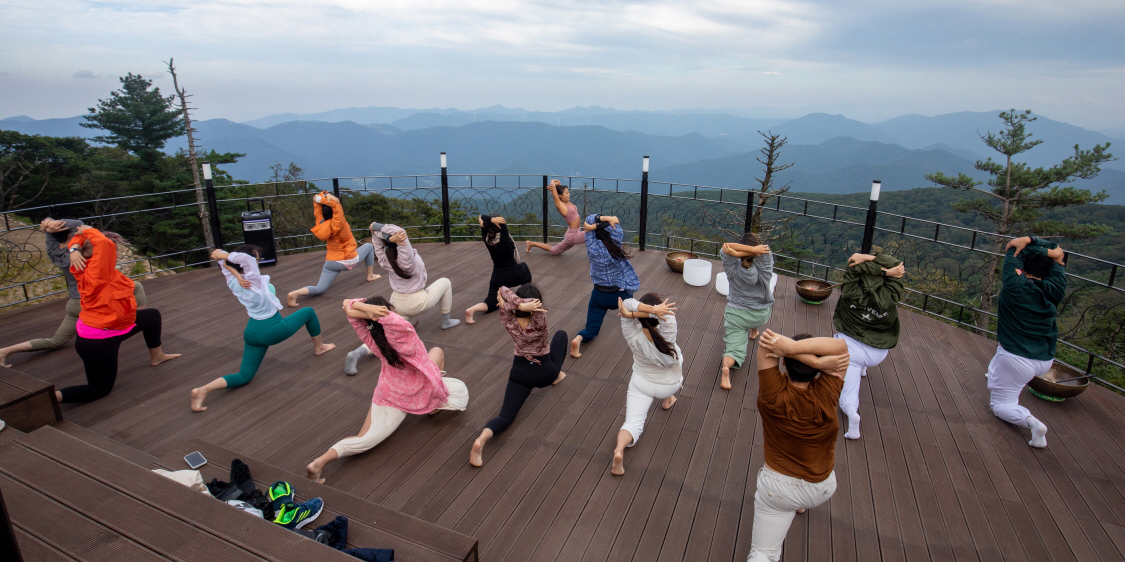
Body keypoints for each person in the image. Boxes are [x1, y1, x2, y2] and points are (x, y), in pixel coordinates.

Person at [306, 296, 469, 483]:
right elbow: (387, 316)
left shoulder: (371, 335)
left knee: (363, 438)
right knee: (458, 387)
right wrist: (361, 308)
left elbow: (348, 304)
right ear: (388, 310)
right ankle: (432, 407)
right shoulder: (403, 330)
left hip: (390, 391)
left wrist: (354, 309)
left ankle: (320, 462)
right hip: (416, 389)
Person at [190, 246, 335, 412]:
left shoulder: (233, 280)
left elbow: (227, 265)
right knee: (308, 312)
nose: (257, 262)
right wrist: (223, 255)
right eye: (257, 259)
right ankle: (320, 347)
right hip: (271, 329)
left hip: (252, 332)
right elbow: (247, 260)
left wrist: (226, 262)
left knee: (244, 376)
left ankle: (202, 390)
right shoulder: (254, 280)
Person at [746, 329, 850, 562]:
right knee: (799, 500)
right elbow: (841, 347)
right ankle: (799, 504)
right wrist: (812, 358)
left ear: (782, 361)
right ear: (820, 370)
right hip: (821, 488)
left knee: (764, 553)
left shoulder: (772, 394)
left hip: (778, 489)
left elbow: (766, 342)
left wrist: (791, 350)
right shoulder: (827, 394)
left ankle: (793, 505)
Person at [54, 226, 179, 404]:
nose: (116, 253)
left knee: (152, 316)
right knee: (99, 389)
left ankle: (157, 356)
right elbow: (104, 244)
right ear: (98, 254)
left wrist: (74, 247)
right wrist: (89, 229)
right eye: (114, 250)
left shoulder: (82, 266)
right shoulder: (99, 272)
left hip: (110, 326)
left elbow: (91, 243)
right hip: (97, 341)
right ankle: (47, 399)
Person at [1, 218, 145, 367]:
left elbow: (67, 230)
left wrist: (47, 226)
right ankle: (138, 321)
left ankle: (5, 351)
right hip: (91, 305)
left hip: (74, 304)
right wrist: (58, 229)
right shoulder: (95, 262)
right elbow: (82, 226)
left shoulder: (58, 255)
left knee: (56, 342)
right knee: (136, 286)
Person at [469, 284, 567, 467]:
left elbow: (502, 289)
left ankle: (482, 439)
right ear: (537, 306)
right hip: (545, 373)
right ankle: (558, 375)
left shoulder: (508, 319)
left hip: (520, 373)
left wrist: (513, 305)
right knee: (561, 335)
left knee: (505, 417)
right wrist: (523, 305)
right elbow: (520, 301)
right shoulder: (540, 319)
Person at [343, 222, 460, 375]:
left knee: (386, 333)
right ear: (400, 242)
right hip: (417, 301)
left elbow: (378, 246)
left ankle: (357, 353)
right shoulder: (407, 262)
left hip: (396, 301)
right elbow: (401, 232)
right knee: (445, 282)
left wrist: (374, 231)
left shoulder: (387, 260)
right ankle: (446, 321)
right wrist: (379, 226)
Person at [986, 236, 1067, 448]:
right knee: (1002, 354)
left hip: (1016, 359)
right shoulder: (1055, 287)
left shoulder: (1015, 286)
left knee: (1000, 404)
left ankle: (1031, 422)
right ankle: (996, 374)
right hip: (1045, 359)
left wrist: (1029, 242)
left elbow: (1014, 250)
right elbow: (1057, 251)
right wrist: (1043, 248)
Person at [831, 249, 905, 440]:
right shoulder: (891, 293)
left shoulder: (850, 291)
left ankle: (851, 412)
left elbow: (853, 267)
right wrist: (879, 266)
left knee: (848, 389)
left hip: (850, 349)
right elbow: (897, 264)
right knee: (863, 349)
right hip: (879, 351)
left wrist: (865, 263)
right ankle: (864, 368)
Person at [610, 293, 681, 476]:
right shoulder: (668, 329)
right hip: (669, 384)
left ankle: (619, 450)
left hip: (641, 383)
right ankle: (668, 399)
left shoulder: (631, 333)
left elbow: (626, 303)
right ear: (661, 311)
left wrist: (632, 314)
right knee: (678, 358)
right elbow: (666, 315)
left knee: (633, 422)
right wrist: (654, 311)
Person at [287, 192, 380, 308]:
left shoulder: (321, 223)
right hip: (348, 259)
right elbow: (337, 206)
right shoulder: (338, 223)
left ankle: (295, 293)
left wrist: (319, 199)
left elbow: (317, 211)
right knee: (369, 247)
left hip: (331, 262)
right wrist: (329, 200)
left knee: (320, 288)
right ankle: (370, 275)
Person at [570, 214, 639, 358]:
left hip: (599, 295)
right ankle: (637, 324)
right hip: (620, 296)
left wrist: (591, 226)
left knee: (591, 329)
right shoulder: (616, 240)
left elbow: (589, 219)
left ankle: (579, 339)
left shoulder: (591, 244)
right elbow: (615, 219)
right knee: (632, 302)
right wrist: (600, 223)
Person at [718, 233, 775, 390]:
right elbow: (765, 251)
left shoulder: (731, 264)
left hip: (736, 313)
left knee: (734, 348)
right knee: (754, 320)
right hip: (760, 314)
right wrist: (753, 250)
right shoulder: (765, 263)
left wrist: (736, 254)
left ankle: (727, 368)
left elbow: (725, 247)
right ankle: (754, 331)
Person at [465, 214, 532, 324]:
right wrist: (492, 221)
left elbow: (480, 216)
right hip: (515, 274)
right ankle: (526, 297)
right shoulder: (504, 239)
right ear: (500, 226)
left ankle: (472, 310)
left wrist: (488, 221)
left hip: (497, 278)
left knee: (491, 303)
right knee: (524, 267)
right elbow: (499, 225)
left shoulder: (487, 239)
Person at [526, 180, 584, 255]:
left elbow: (558, 184)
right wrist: (552, 181)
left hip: (573, 232)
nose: (569, 194)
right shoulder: (560, 205)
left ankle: (531, 243)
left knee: (554, 251)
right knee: (593, 234)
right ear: (559, 195)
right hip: (573, 236)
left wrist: (549, 187)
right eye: (566, 193)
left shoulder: (567, 202)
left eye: (568, 192)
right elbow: (554, 187)